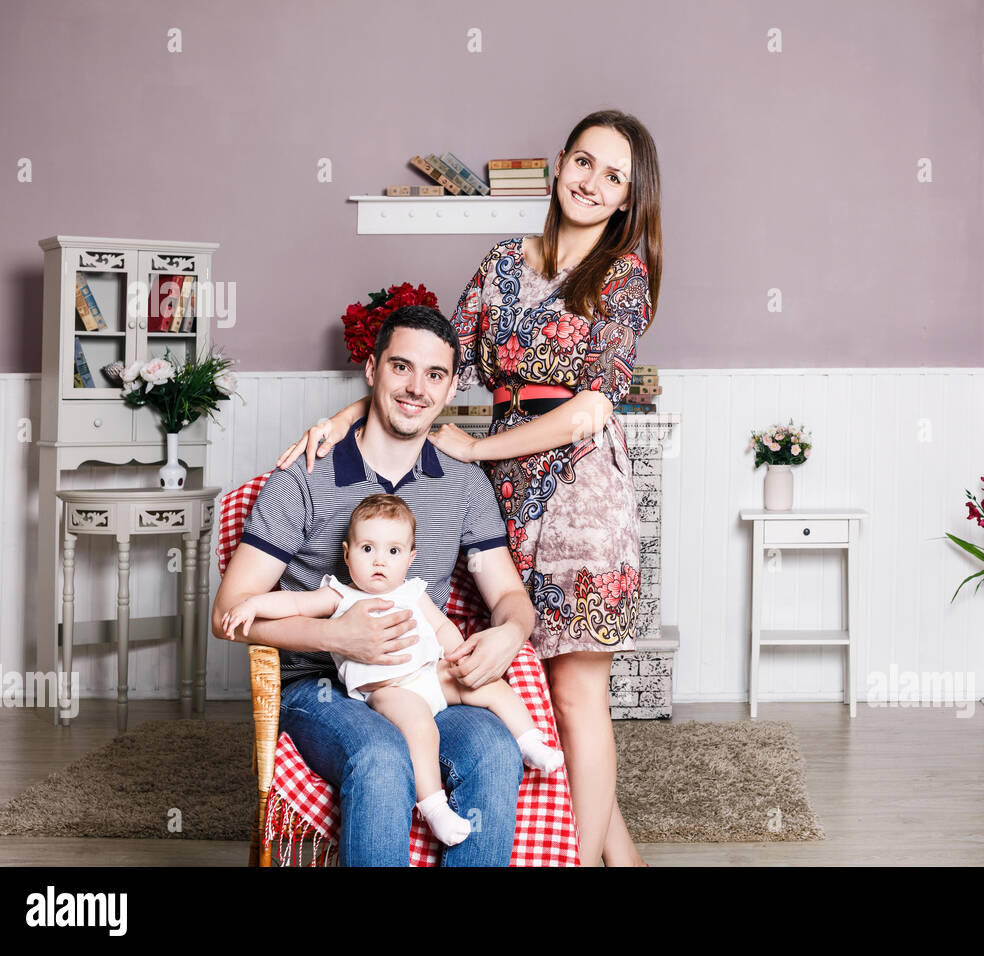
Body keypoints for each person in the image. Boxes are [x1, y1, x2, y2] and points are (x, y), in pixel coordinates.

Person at [278, 109, 662, 867]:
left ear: (627, 199)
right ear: (560, 164)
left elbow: (590, 409)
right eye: (583, 162)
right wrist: (349, 412)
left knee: (579, 694)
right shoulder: (502, 262)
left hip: (583, 496)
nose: (591, 183)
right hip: (505, 495)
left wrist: (480, 445)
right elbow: (429, 361)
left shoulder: (624, 277)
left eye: (613, 177)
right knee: (538, 694)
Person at [213, 304, 538, 867]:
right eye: (401, 368)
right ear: (371, 371)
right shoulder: (304, 477)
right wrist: (338, 637)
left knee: (492, 749)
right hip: (320, 689)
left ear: (451, 386)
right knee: (382, 756)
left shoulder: (463, 484)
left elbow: (509, 596)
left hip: (425, 680)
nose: (416, 388)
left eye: (434, 375)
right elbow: (226, 615)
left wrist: (510, 632)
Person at [220, 492, 564, 847]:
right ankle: (433, 805)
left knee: (492, 688)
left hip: (431, 675)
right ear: (346, 554)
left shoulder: (414, 592)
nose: (379, 561)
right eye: (367, 549)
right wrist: (253, 603)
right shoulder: (341, 595)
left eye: (393, 551)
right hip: (388, 690)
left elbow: (442, 626)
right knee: (419, 726)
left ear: (411, 558)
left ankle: (530, 741)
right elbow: (294, 602)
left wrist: (457, 653)